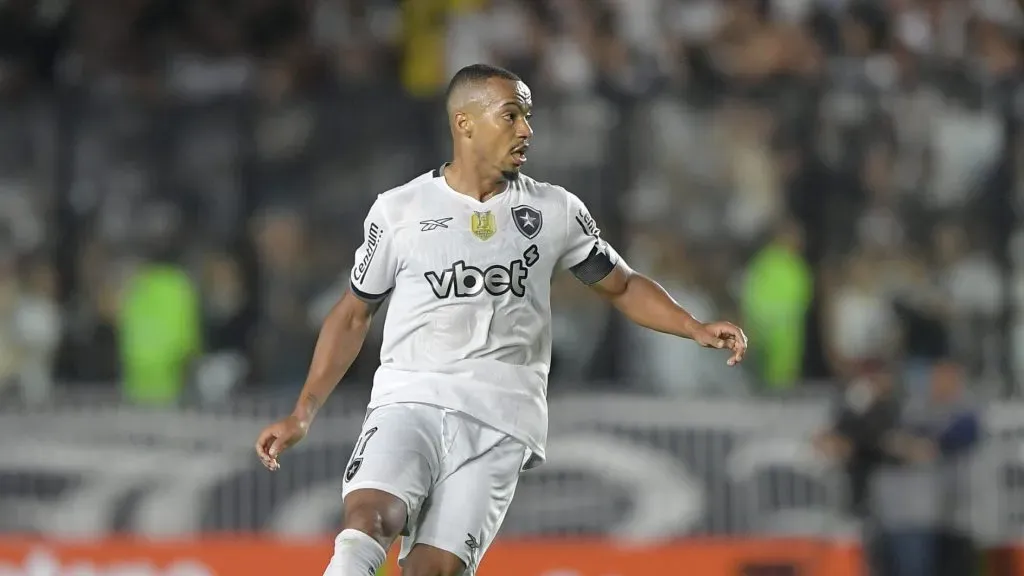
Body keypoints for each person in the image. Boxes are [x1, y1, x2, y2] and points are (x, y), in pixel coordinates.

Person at [253, 64, 748, 576]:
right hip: (412, 401)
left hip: (502, 419)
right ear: (464, 123)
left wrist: (692, 325)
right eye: (511, 116)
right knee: (370, 518)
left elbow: (621, 284)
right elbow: (353, 314)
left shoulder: (555, 211)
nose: (526, 130)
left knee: (433, 571)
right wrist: (303, 412)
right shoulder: (399, 211)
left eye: (528, 117)